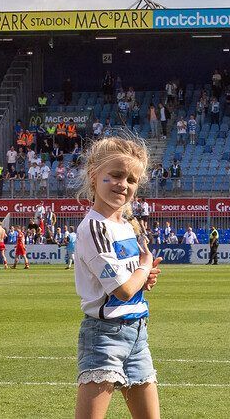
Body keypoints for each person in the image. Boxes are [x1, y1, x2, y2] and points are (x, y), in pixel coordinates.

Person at [72, 136, 162, 419]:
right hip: (104, 336)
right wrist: (144, 268)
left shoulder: (125, 225)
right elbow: (123, 290)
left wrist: (144, 278)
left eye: (132, 180)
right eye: (115, 175)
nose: (124, 184)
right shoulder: (95, 228)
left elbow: (130, 282)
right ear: (94, 175)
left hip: (137, 333)